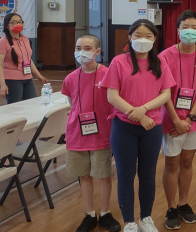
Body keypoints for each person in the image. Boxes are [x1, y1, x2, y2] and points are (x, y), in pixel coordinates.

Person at [103, 19, 175, 232]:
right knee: (125, 175)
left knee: (148, 174)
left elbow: (166, 94)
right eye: (138, 35)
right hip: (124, 127)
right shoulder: (118, 62)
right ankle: (129, 221)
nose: (143, 40)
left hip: (152, 128)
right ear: (130, 37)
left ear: (155, 39)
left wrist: (143, 109)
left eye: (148, 36)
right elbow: (112, 96)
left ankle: (146, 218)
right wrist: (137, 115)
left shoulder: (160, 63)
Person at [159, 10, 196, 229]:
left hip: (194, 120)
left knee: (187, 162)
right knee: (172, 162)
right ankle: (171, 207)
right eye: (185, 27)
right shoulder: (165, 56)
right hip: (171, 120)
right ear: (178, 30)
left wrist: (190, 118)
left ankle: (183, 203)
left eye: (194, 28)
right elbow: (164, 92)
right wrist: (176, 120)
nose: (189, 31)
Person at [63, 35, 121, 232]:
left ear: (97, 51)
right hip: (77, 134)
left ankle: (104, 213)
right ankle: (89, 214)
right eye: (78, 47)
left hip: (102, 134)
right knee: (84, 176)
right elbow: (73, 104)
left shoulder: (108, 74)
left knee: (103, 175)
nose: (82, 52)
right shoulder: (70, 78)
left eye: (87, 48)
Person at [0, 13, 48, 104]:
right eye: (13, 22)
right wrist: (2, 84)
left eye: (19, 22)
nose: (17, 24)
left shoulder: (25, 39)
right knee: (16, 107)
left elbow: (28, 60)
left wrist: (39, 76)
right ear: (7, 25)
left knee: (32, 104)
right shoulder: (2, 42)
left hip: (27, 77)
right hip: (12, 80)